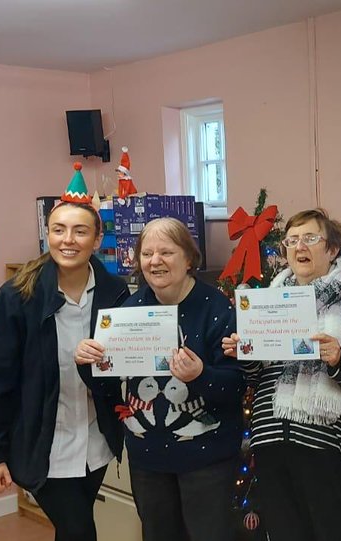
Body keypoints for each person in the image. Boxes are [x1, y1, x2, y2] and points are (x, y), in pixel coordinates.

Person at [0, 163, 125, 541]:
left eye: (80, 231)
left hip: (96, 443)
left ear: (97, 239)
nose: (68, 240)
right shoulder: (18, 296)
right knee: (79, 531)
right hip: (42, 444)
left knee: (72, 529)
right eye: (58, 230)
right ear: (47, 235)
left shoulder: (115, 292)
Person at [75, 217, 246, 541]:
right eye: (147, 253)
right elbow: (108, 387)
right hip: (148, 460)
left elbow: (237, 385)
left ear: (189, 259)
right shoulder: (129, 310)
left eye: (166, 252)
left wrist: (201, 375)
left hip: (206, 460)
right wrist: (88, 362)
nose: (155, 261)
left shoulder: (215, 309)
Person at [221, 209, 341, 541]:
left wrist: (339, 359)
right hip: (272, 446)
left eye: (311, 238)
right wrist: (245, 354)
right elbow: (256, 380)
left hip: (330, 452)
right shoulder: (268, 302)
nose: (300, 247)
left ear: (332, 249)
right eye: (292, 240)